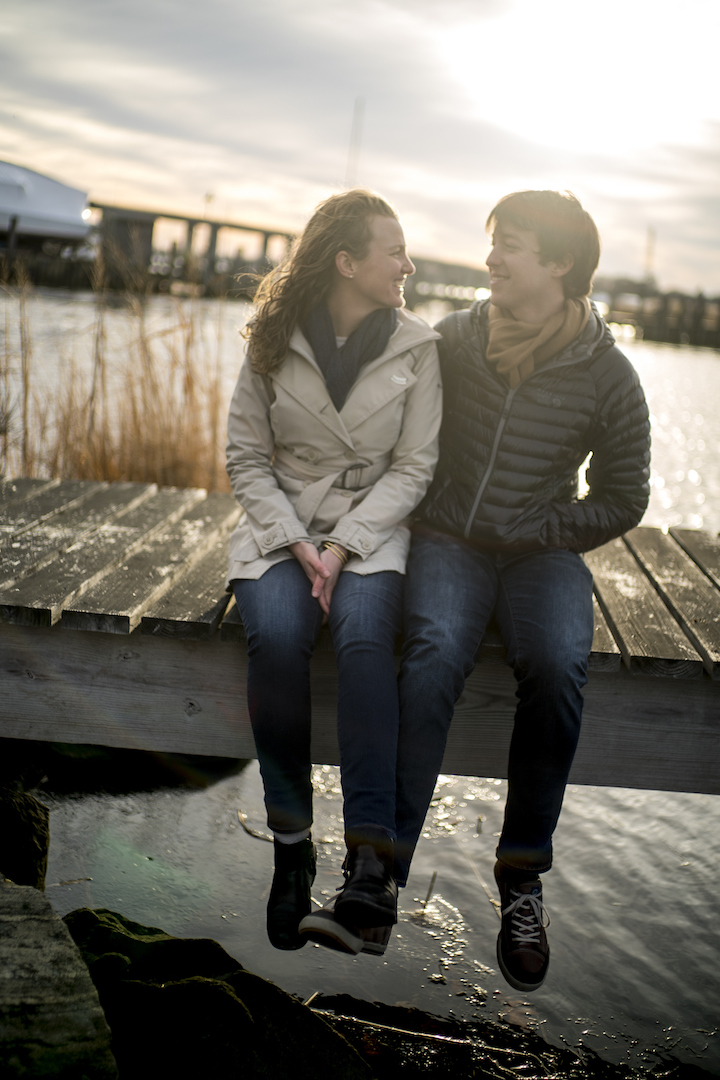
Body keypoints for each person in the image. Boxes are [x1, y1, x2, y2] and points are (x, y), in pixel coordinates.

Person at [392, 190, 651, 991]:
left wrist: (548, 528)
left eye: (511, 244)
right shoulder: (454, 340)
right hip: (447, 539)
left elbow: (625, 493)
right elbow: (392, 431)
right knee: (434, 649)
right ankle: (379, 869)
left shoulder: (608, 373)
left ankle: (522, 880)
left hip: (540, 554)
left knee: (558, 660)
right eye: (492, 242)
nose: (492, 258)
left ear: (560, 263)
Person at [225, 189, 442, 956]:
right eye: (395, 251)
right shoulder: (269, 339)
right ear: (347, 262)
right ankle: (292, 848)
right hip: (281, 533)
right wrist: (295, 541)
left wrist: (346, 543)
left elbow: (415, 466)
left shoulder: (420, 347)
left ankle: (366, 866)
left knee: (361, 642)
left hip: (372, 533)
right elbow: (245, 457)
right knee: (280, 637)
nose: (408, 264)